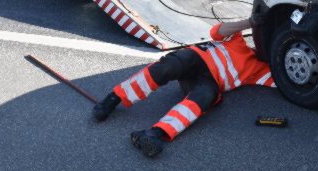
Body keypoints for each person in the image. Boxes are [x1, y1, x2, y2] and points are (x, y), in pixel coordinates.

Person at [92, 18, 275, 157]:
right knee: (166, 68)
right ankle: (113, 99)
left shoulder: (262, 70)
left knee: (205, 97)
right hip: (197, 59)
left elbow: (289, 85)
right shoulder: (237, 39)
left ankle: (155, 134)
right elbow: (217, 31)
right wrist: (250, 22)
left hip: (210, 82)